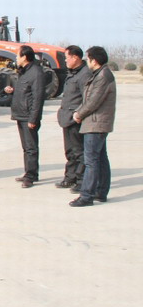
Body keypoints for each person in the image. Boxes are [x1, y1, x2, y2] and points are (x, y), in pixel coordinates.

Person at [69, 46, 116, 207]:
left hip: (96, 123)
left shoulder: (103, 76)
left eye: (88, 58)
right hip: (96, 122)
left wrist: (79, 114)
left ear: (94, 60)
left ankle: (86, 195)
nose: (86, 61)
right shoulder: (99, 74)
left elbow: (93, 101)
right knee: (100, 158)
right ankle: (100, 192)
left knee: (91, 161)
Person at [4, 45, 45, 188]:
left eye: (18, 56)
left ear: (25, 57)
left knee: (31, 147)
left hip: (28, 116)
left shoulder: (36, 72)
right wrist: (12, 90)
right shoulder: (24, 71)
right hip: (21, 114)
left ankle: (31, 176)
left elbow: (38, 97)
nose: (16, 58)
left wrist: (33, 118)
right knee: (26, 147)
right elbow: (25, 91)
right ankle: (29, 172)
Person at [55, 45, 91, 190]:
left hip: (76, 119)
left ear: (75, 57)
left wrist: (79, 114)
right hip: (67, 118)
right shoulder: (73, 73)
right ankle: (70, 177)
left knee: (79, 152)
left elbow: (87, 98)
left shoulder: (84, 74)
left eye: (67, 58)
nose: (65, 61)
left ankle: (81, 181)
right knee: (70, 151)